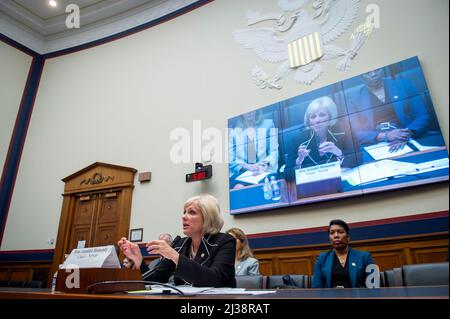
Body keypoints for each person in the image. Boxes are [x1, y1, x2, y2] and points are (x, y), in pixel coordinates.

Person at [118, 194, 236, 287]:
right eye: (184, 212)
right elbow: (155, 280)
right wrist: (138, 260)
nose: (183, 216)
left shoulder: (225, 241)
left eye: (191, 212)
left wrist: (175, 256)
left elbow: (216, 278)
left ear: (208, 217)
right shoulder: (181, 244)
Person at [349, 68, 429, 153]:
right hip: (375, 143)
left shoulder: (404, 85)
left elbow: (423, 115)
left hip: (409, 137)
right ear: (360, 77)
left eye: (377, 70)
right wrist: (386, 136)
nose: (373, 74)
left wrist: (405, 134)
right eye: (367, 73)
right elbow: (355, 133)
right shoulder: (354, 99)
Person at [287, 96, 352, 169]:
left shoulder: (343, 132)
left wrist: (339, 153)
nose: (317, 120)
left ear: (330, 117)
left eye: (322, 115)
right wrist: (299, 161)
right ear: (309, 121)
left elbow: (358, 159)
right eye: (313, 117)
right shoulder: (297, 140)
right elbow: (288, 174)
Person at [312, 219, 376, 288]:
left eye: (340, 232)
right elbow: (317, 288)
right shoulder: (322, 258)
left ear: (348, 237)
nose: (336, 235)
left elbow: (374, 285)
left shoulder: (365, 257)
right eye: (332, 233)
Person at [228, 109, 279, 189]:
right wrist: (248, 166)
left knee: (264, 186)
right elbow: (231, 160)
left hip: (264, 169)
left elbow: (274, 151)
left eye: (252, 109)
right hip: (244, 172)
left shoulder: (268, 124)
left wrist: (263, 165)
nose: (249, 112)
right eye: (246, 109)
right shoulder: (234, 133)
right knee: (238, 187)